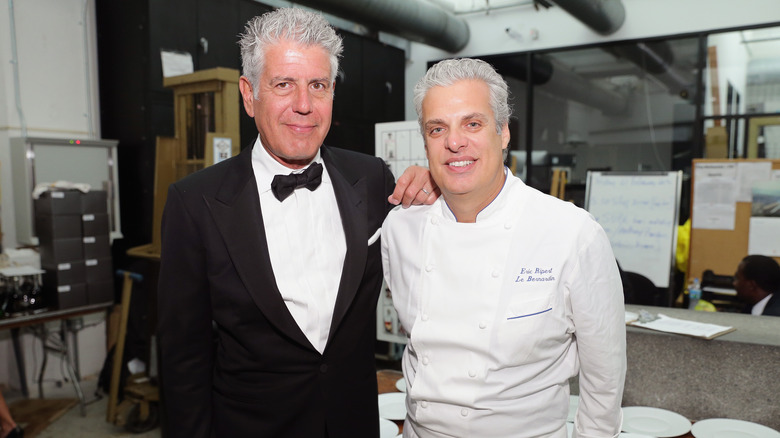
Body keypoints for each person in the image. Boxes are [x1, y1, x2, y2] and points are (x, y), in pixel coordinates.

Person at [157, 8, 436, 438]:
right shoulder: (195, 202)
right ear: (249, 95)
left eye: (317, 86)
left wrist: (439, 189)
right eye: (284, 84)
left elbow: (437, 267)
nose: (303, 105)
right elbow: (183, 360)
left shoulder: (372, 178)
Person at [381, 58, 626, 438]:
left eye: (472, 123)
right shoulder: (400, 228)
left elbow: (604, 381)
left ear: (504, 132)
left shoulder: (572, 233)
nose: (454, 141)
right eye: (437, 128)